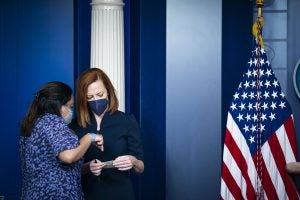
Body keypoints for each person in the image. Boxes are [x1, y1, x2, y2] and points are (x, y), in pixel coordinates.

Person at [19, 81, 104, 200]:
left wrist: (87, 167)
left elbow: (52, 168)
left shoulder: (33, 123)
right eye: (70, 106)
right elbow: (68, 157)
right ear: (58, 105)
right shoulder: (52, 121)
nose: (71, 111)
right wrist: (90, 137)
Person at [69, 68, 144, 200]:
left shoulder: (127, 121)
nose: (96, 100)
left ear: (108, 92)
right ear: (83, 99)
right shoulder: (75, 126)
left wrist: (133, 161)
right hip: (88, 194)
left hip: (121, 193)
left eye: (100, 94)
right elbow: (70, 169)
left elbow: (140, 168)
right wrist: (87, 167)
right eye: (90, 97)